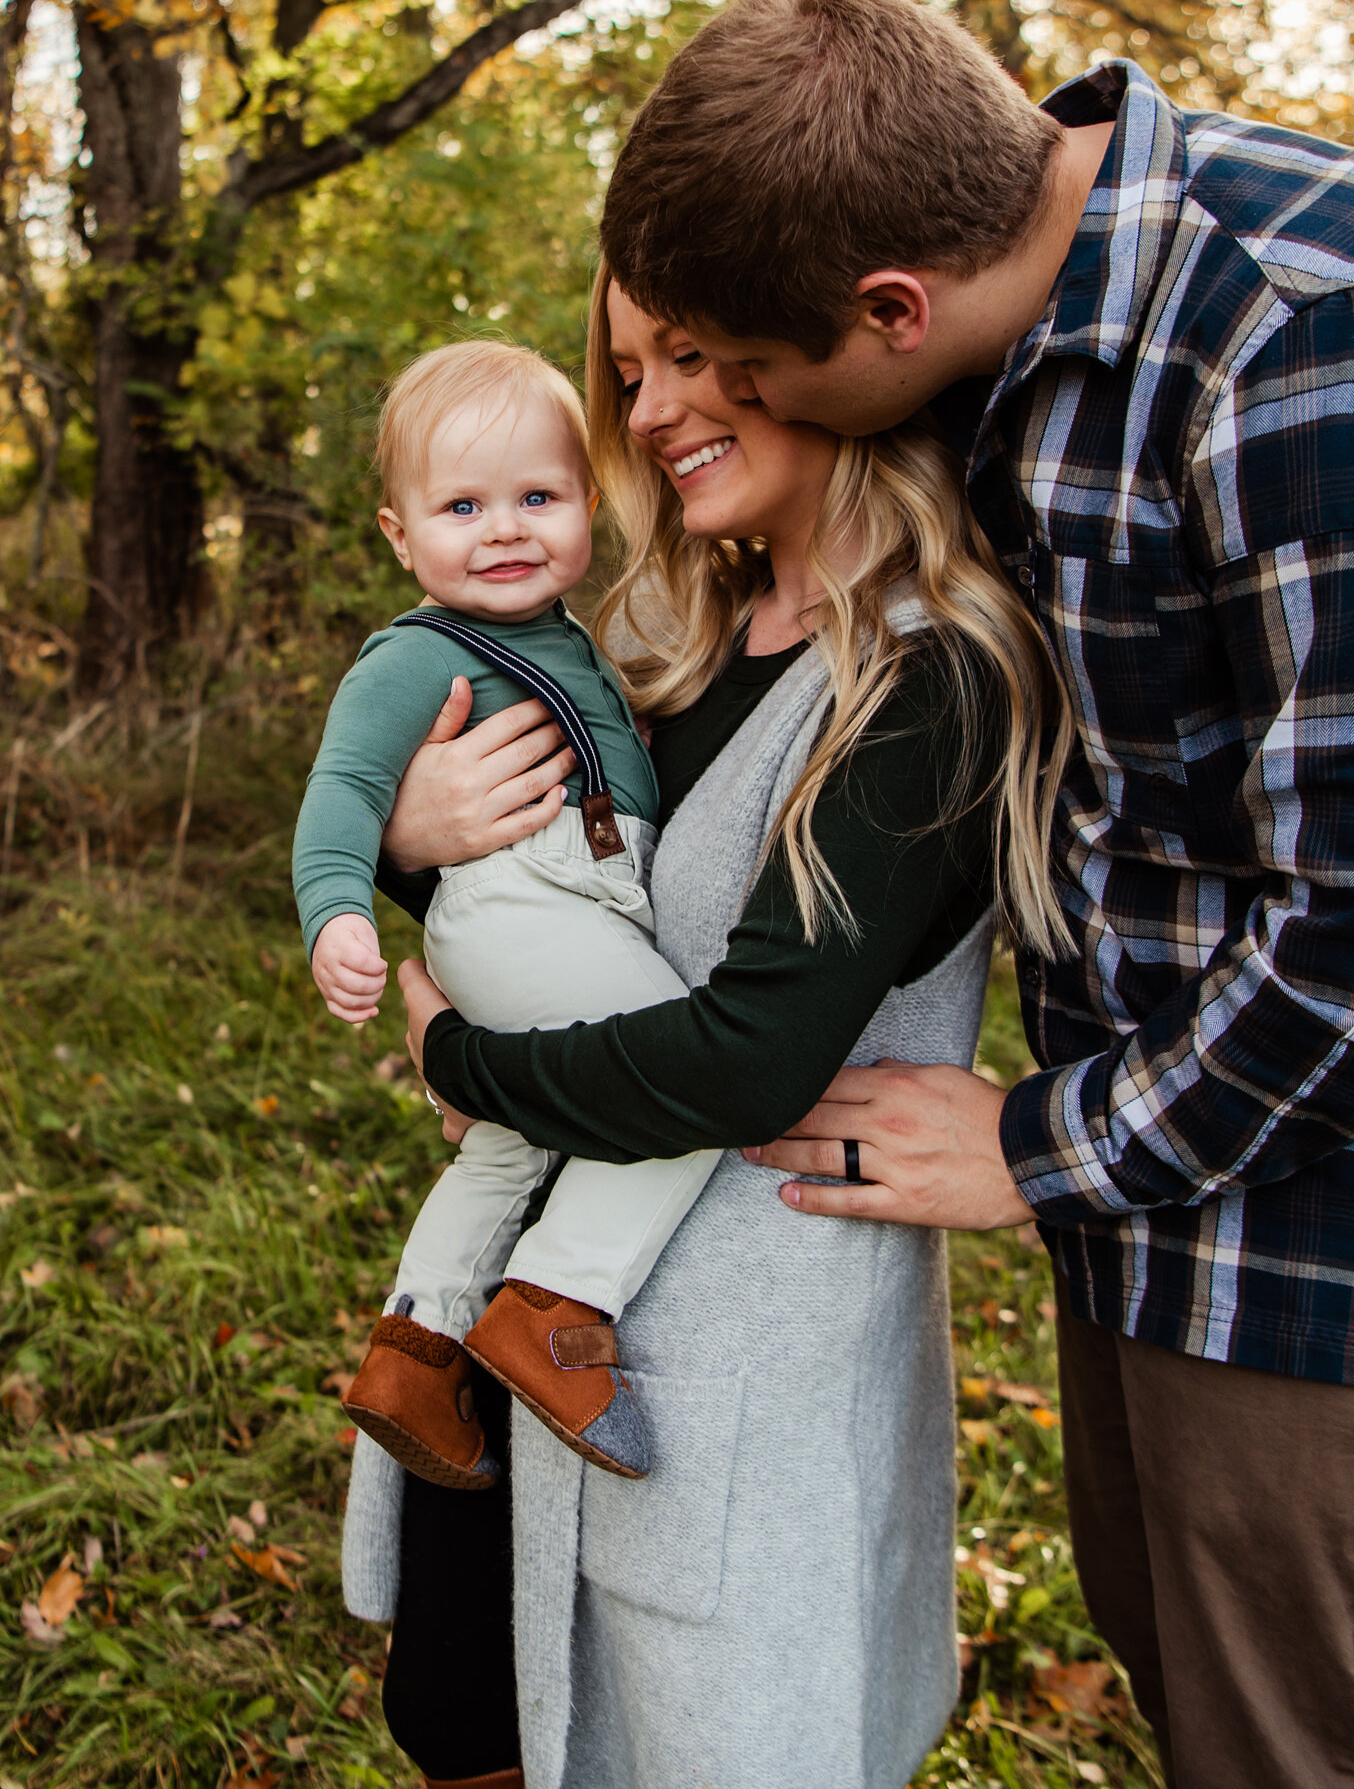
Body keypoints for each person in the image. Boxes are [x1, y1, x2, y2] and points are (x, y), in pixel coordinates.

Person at [593, 0, 1354, 1789]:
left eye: (757, 371)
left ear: (889, 305)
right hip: (1149, 1221)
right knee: (1190, 1678)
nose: (716, 400)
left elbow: (1349, 928)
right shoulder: (992, 295)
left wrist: (1035, 1147)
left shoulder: (1296, 341)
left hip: (1307, 1255)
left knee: (1288, 1732)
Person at [343, 264, 1071, 1789]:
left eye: (689, 355)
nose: (648, 407)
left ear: (833, 349)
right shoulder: (672, 640)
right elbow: (551, 916)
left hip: (721, 1386)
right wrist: (409, 841)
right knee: (471, 1725)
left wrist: (449, 1061)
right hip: (516, 1328)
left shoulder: (928, 672)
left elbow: (744, 1055)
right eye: (628, 367)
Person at [294, 337, 714, 1489]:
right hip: (521, 911)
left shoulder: (575, 639)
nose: (505, 528)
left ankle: (415, 1349)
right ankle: (557, 1308)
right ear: (399, 535)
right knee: (686, 1082)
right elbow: (343, 792)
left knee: (506, 1137)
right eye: (462, 504)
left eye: (538, 495)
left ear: (589, 500)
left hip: (555, 919)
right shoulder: (414, 656)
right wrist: (338, 910)